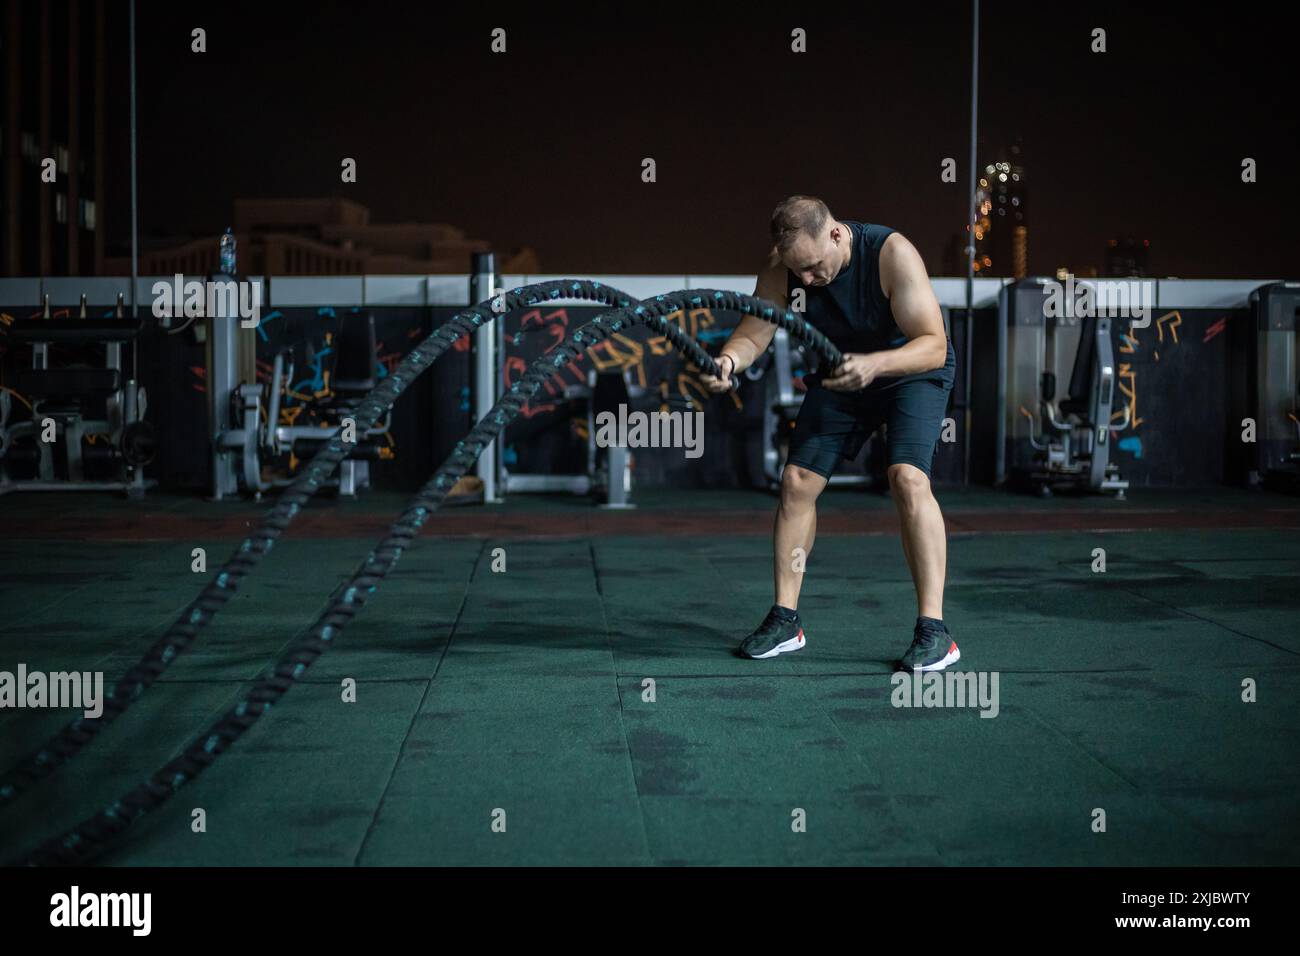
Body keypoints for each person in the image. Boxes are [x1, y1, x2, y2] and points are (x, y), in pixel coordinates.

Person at [701, 196, 959, 671]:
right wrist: (728, 362)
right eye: (798, 272)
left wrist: (876, 363)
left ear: (837, 234)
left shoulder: (891, 253)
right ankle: (785, 620)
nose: (806, 281)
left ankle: (934, 630)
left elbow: (934, 346)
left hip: (910, 371)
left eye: (815, 268)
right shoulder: (785, 266)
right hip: (842, 374)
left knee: (907, 478)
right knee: (796, 482)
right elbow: (754, 333)